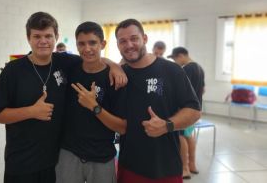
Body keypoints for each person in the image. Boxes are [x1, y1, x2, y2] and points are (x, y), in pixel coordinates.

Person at [0, 12, 127, 183]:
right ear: (28, 38)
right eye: (37, 36)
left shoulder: (64, 62)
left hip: (55, 159)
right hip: (22, 162)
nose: (43, 41)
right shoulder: (13, 71)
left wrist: (115, 66)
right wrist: (31, 111)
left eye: (48, 36)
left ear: (56, 37)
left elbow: (92, 57)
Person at [115, 19, 201, 183]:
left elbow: (194, 110)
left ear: (145, 39)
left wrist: (167, 125)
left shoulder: (171, 70)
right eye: (123, 41)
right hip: (129, 164)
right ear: (117, 45)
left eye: (134, 38)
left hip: (165, 167)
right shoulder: (120, 76)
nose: (129, 45)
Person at [56, 21, 127, 183]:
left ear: (103, 44)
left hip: (102, 156)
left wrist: (94, 107)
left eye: (93, 43)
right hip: (69, 153)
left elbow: (122, 127)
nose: (87, 49)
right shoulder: (70, 67)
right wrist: (114, 63)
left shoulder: (115, 79)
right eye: (81, 44)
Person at [168, 46, 205, 179]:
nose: (175, 62)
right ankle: (192, 165)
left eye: (175, 59)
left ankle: (184, 169)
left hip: (186, 109)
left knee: (181, 136)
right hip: (196, 108)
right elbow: (203, 89)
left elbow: (181, 90)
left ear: (181, 56)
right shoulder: (199, 68)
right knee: (189, 135)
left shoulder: (187, 68)